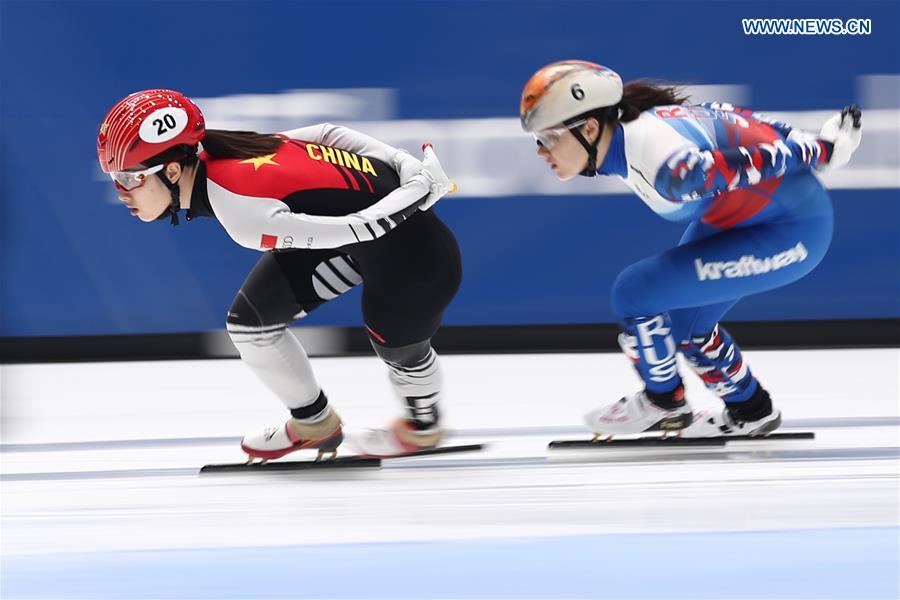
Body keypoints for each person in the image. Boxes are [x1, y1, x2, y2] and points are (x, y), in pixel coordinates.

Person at [97, 89, 462, 459]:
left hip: (416, 259)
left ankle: (423, 429)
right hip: (358, 239)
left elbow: (360, 227)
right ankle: (313, 424)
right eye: (114, 178)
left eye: (129, 178)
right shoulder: (227, 150)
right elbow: (325, 133)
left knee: (397, 347)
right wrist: (404, 165)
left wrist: (411, 178)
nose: (121, 191)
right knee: (250, 324)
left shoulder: (241, 211)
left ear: (173, 170)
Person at [519, 61, 861, 438]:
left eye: (549, 136)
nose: (540, 150)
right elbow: (735, 121)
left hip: (792, 230)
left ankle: (664, 403)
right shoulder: (641, 127)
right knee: (686, 327)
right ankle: (751, 410)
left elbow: (750, 160)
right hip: (742, 218)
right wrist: (810, 141)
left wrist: (823, 150)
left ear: (589, 127)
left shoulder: (665, 165)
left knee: (635, 292)